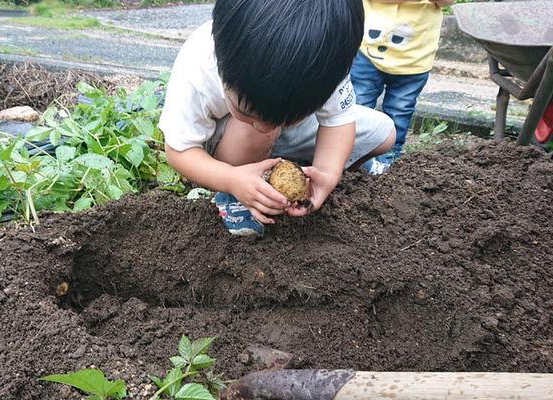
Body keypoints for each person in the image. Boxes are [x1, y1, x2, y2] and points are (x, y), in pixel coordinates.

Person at [159, 0, 395, 237]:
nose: (264, 126)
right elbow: (179, 150)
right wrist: (231, 179)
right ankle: (235, 196)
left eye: (285, 119)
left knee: (385, 133)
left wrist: (327, 173)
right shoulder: (199, 66)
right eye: (248, 112)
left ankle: (312, 164)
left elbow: (339, 120)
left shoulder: (323, 63)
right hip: (225, 142)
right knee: (254, 131)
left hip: (289, 122)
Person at [351, 0, 454, 174]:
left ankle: (388, 160)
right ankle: (353, 153)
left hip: (414, 57)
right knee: (359, 105)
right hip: (369, 49)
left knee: (400, 110)